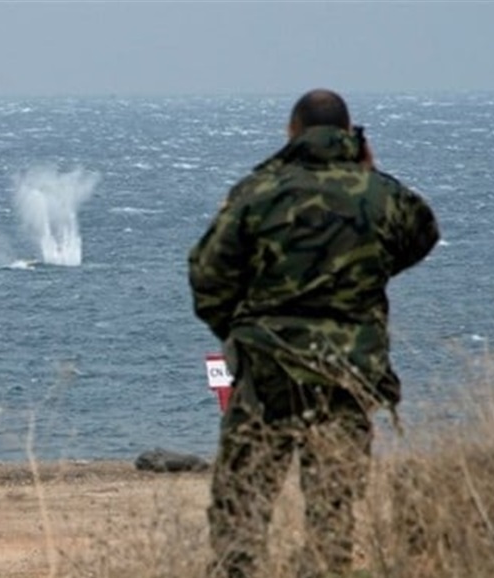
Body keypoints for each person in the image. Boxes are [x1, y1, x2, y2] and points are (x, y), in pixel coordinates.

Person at [188, 89, 439, 578]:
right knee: (331, 522)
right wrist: (366, 268)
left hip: (267, 378)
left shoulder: (256, 192)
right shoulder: (379, 195)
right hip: (347, 380)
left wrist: (241, 331)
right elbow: (422, 233)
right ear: (351, 136)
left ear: (292, 133)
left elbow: (207, 276)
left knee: (240, 517)